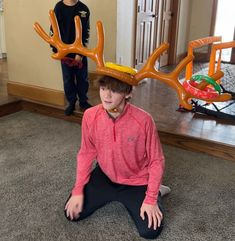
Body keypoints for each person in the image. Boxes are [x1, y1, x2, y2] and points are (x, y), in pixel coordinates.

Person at [64, 75, 170, 239]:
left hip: (137, 181)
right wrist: (78, 190)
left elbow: (157, 161)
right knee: (71, 213)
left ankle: (158, 190)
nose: (106, 96)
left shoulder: (144, 120)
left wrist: (150, 199)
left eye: (114, 90)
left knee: (150, 231)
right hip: (105, 175)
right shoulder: (90, 116)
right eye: (103, 88)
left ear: (128, 93)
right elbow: (86, 153)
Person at [51, 0, 92, 115]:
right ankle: (72, 102)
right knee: (68, 78)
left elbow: (86, 32)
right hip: (65, 52)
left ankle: (83, 101)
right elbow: (54, 29)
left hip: (80, 52)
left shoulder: (84, 9)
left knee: (82, 78)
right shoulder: (58, 8)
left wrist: (81, 53)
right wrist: (56, 49)